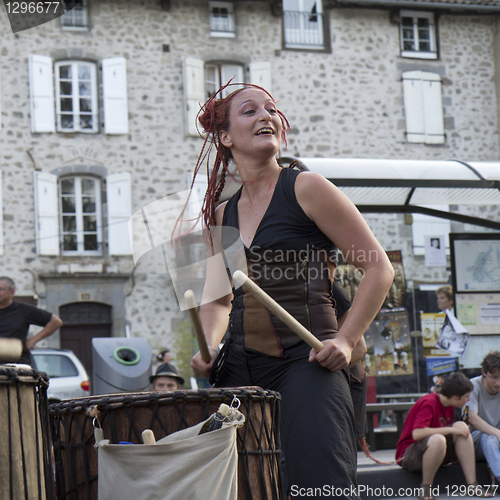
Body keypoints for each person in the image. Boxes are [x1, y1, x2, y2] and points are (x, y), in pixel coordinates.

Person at [188, 83, 394, 499]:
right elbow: (218, 299)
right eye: (250, 111)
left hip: (308, 361)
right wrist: (208, 347)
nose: (267, 115)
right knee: (246, 489)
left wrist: (346, 338)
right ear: (225, 137)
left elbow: (378, 268)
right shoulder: (221, 214)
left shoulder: (307, 187)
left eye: (271, 109)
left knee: (319, 489)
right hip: (238, 369)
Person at [395, 372, 492, 500]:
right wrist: (451, 429)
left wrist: (456, 429)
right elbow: (417, 433)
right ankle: (426, 487)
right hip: (409, 455)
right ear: (456, 397)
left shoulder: (449, 406)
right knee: (439, 439)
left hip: (432, 453)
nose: (469, 400)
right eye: (467, 396)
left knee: (462, 430)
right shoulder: (429, 402)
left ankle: (472, 485)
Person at [0, 276, 63, 366]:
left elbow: (56, 322)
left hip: (18, 364)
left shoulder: (23, 310)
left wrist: (33, 340)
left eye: (1, 289)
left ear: (12, 292)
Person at [466, 351, 500, 485]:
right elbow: (470, 417)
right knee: (490, 439)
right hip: (475, 440)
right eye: (494, 377)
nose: (498, 383)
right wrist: (496, 432)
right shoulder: (472, 386)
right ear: (484, 372)